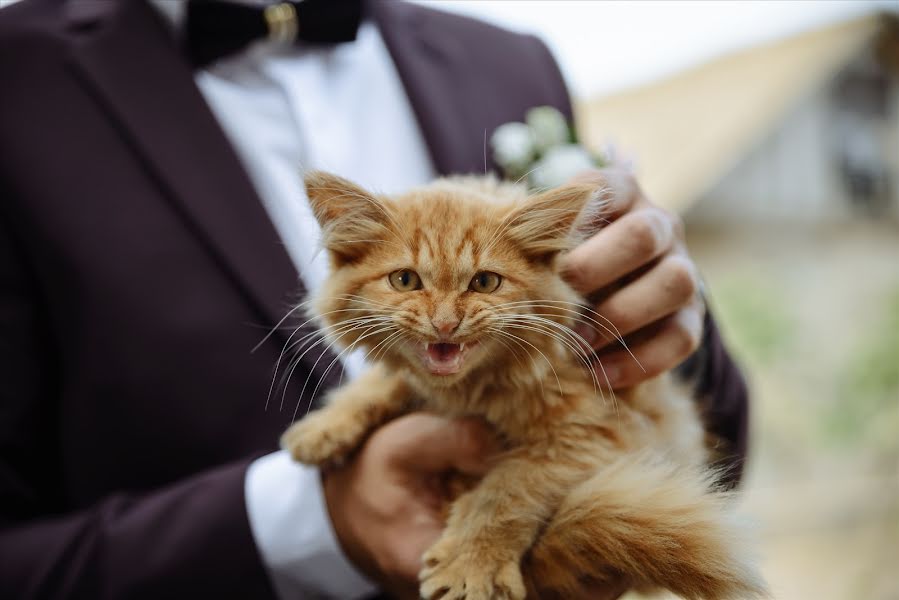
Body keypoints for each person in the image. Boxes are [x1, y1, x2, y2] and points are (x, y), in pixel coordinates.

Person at [0, 0, 748, 598]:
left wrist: (667, 307)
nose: (445, 315)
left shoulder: (510, 59)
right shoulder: (19, 76)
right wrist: (308, 527)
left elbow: (721, 443)